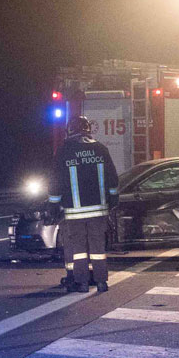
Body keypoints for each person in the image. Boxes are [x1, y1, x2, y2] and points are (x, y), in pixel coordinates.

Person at [50, 115, 114, 293]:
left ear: (70, 130)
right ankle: (101, 282)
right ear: (88, 129)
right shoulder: (101, 149)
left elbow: (56, 181)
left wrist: (53, 203)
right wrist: (113, 199)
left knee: (78, 249)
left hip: (74, 212)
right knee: (98, 248)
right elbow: (112, 178)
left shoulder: (64, 150)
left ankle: (83, 283)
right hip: (98, 211)